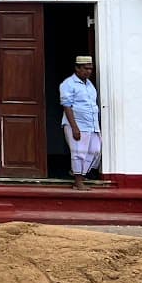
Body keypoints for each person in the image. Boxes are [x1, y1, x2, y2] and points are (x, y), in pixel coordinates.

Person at [59, 55, 101, 190]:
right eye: (85, 68)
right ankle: (78, 181)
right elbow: (67, 106)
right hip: (77, 124)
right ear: (77, 68)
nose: (88, 71)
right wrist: (74, 127)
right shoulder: (68, 84)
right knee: (79, 152)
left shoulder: (89, 85)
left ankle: (80, 176)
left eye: (90, 68)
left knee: (95, 150)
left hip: (92, 125)